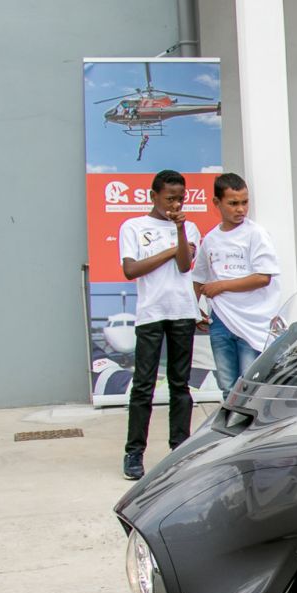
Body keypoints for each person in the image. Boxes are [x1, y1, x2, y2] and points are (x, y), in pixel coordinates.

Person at [119, 169, 200, 481]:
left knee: (180, 385)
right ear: (153, 196)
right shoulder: (134, 227)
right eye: (170, 198)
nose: (175, 204)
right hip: (151, 313)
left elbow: (184, 264)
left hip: (182, 312)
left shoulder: (189, 227)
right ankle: (134, 452)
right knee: (143, 385)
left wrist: (179, 231)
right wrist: (168, 249)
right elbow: (131, 269)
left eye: (181, 198)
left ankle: (179, 450)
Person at [192, 173, 281, 393]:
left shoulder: (256, 234)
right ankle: (231, 426)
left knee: (251, 385)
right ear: (217, 203)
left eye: (244, 202)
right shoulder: (211, 238)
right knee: (227, 385)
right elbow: (198, 277)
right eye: (233, 203)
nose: (240, 209)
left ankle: (254, 427)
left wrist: (220, 286)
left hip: (253, 322)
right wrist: (195, 310)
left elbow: (263, 277)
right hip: (221, 321)